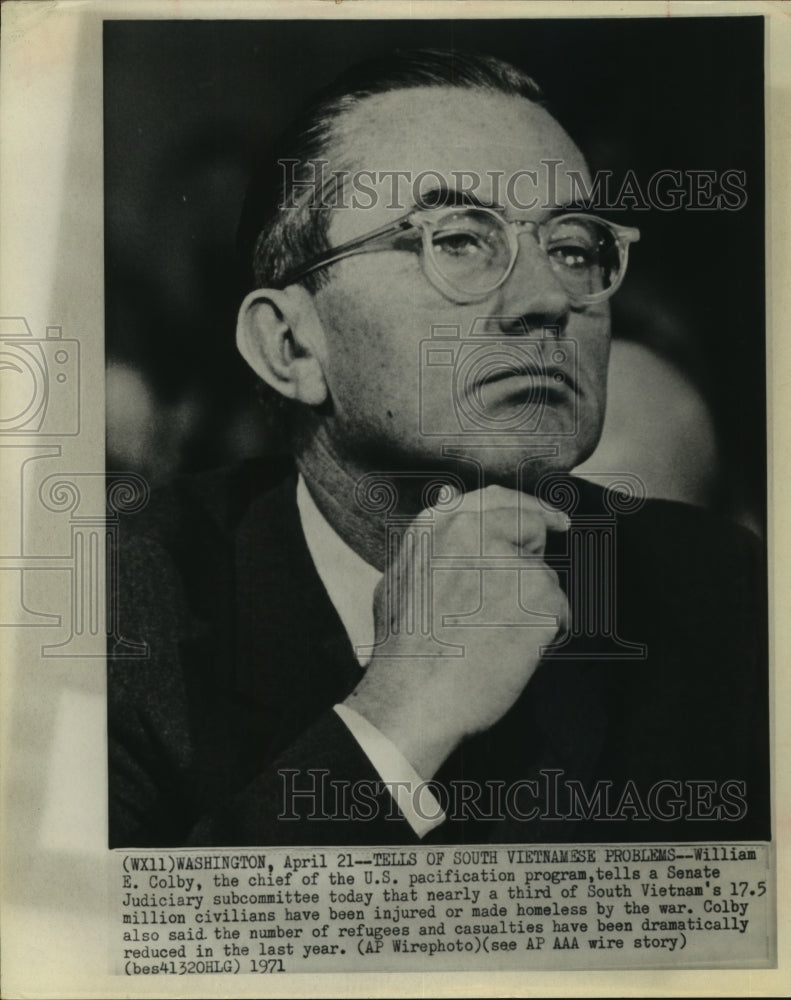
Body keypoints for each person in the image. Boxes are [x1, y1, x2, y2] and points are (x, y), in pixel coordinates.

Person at [108, 49, 768, 847]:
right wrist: (395, 723)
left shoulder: (723, 598)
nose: (546, 301)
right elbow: (112, 962)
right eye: (456, 239)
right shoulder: (117, 615)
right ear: (290, 346)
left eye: (572, 247)